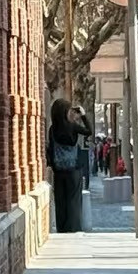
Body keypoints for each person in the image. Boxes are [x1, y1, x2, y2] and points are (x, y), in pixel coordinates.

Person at [47, 99, 86, 233]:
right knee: (73, 200)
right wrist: (83, 115)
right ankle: (74, 227)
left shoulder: (52, 129)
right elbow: (89, 131)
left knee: (60, 201)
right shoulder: (72, 126)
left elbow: (51, 149)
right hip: (73, 169)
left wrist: (52, 164)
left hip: (58, 170)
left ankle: (62, 228)